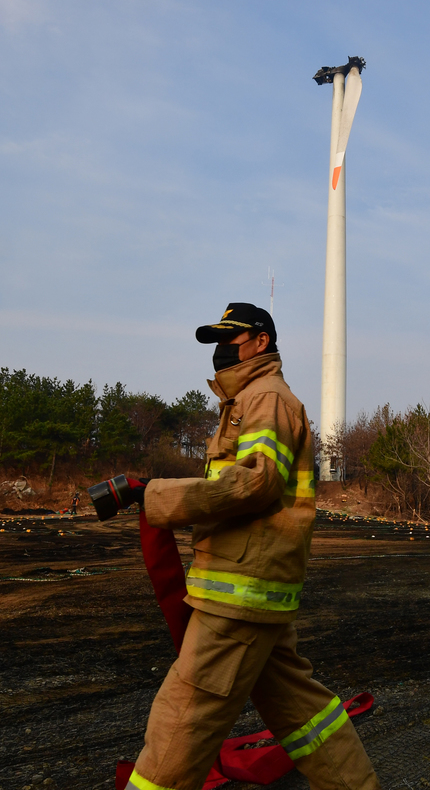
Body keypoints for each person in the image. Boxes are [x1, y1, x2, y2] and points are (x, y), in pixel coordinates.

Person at [103, 303, 381, 790]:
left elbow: (256, 482)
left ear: (261, 342)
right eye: (217, 342)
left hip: (240, 591)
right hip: (253, 586)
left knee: (184, 713)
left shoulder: (265, 398)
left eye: (229, 340)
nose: (220, 351)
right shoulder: (247, 400)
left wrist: (155, 496)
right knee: (303, 712)